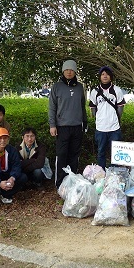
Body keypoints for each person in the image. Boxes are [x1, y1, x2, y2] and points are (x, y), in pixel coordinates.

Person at [49, 59, 87, 188]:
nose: (69, 72)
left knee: (74, 155)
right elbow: (52, 107)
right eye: (66, 70)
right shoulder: (57, 87)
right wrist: (52, 125)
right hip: (62, 127)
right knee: (62, 155)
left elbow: (82, 106)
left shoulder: (80, 87)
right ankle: (60, 183)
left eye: (71, 70)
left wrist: (85, 122)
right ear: (63, 71)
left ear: (75, 72)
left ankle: (72, 181)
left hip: (77, 126)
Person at [89, 66, 126, 170]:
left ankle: (115, 176)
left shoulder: (117, 90)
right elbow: (93, 107)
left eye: (107, 74)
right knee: (101, 152)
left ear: (111, 77)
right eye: (102, 74)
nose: (105, 76)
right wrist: (98, 119)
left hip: (114, 128)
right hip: (100, 128)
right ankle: (102, 174)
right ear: (100, 77)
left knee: (116, 154)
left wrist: (116, 118)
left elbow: (120, 107)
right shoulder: (94, 91)